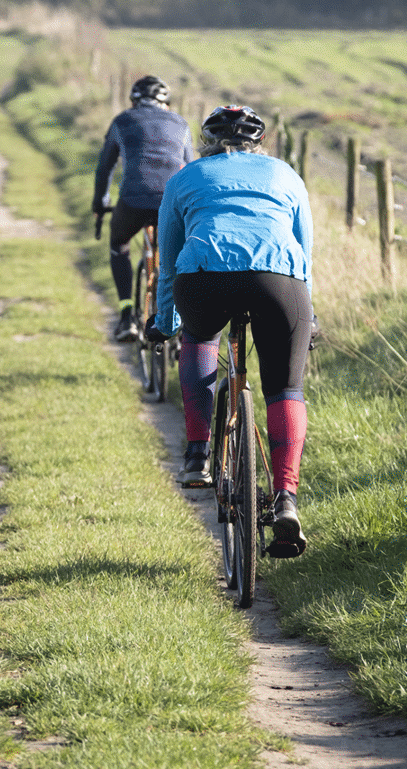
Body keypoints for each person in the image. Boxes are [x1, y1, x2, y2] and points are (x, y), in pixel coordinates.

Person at [146, 104, 314, 558]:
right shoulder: (285, 175)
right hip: (277, 281)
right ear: (260, 143)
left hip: (204, 279)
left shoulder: (184, 178)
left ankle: (198, 454)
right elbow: (303, 254)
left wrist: (165, 323)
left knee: (199, 340)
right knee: (285, 388)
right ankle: (286, 500)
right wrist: (307, 318)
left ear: (205, 143)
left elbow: (167, 261)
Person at [92, 75, 195, 342]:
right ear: (167, 104)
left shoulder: (122, 121)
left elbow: (105, 167)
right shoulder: (181, 124)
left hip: (134, 200)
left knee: (119, 244)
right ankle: (184, 320)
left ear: (133, 102)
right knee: (178, 258)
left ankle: (127, 314)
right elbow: (191, 169)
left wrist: (100, 203)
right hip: (171, 201)